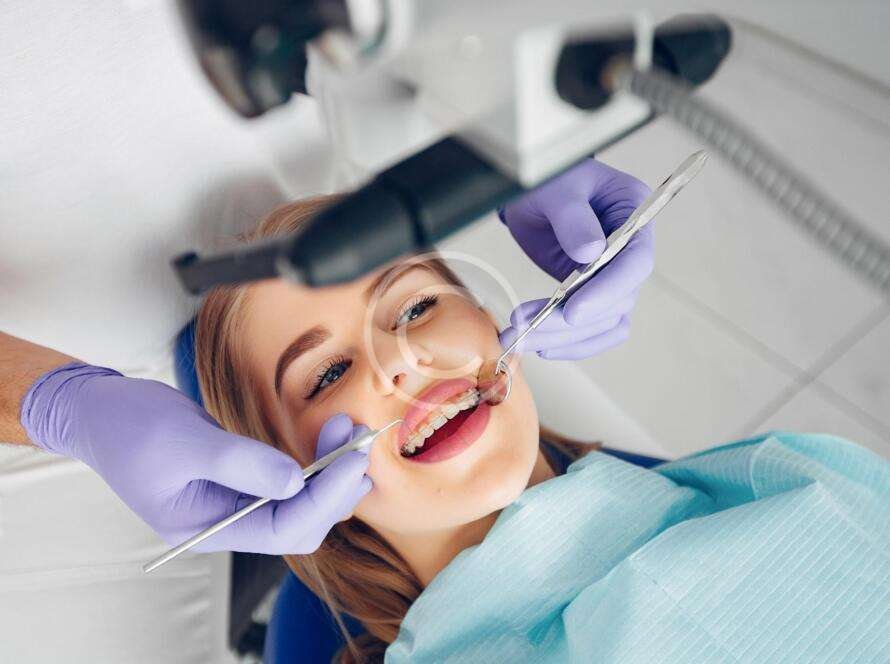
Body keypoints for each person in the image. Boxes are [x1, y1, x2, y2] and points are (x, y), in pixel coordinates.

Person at [193, 194, 889, 663]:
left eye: (415, 308)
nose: (402, 359)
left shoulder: (796, 480)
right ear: (281, 483)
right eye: (326, 373)